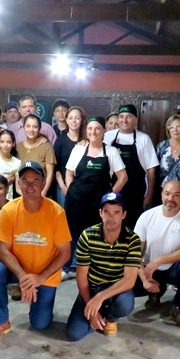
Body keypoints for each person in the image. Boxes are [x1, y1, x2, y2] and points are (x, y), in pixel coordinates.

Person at [0, 161, 72, 344]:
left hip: (44, 274)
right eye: (25, 181)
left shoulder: (56, 212)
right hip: (19, 270)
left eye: (35, 181)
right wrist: (23, 277)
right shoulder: (9, 210)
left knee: (40, 324)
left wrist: (38, 278)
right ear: (18, 183)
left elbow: (65, 253)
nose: (30, 186)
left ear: (43, 183)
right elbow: (3, 250)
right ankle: (1, 322)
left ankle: (40, 302)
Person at [66, 192, 141, 341]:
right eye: (107, 212)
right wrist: (91, 306)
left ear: (124, 215)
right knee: (74, 334)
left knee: (125, 304)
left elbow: (130, 280)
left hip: (116, 291)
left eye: (116, 212)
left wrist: (100, 297)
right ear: (100, 213)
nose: (111, 217)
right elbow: (81, 277)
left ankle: (111, 318)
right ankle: (98, 315)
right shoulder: (87, 236)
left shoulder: (132, 240)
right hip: (92, 288)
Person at [65, 116, 128, 279]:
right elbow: (69, 172)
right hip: (76, 201)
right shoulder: (78, 149)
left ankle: (94, 269)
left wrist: (109, 198)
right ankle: (66, 268)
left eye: (97, 128)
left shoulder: (111, 152)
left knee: (97, 236)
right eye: (90, 128)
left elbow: (123, 177)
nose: (93, 132)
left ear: (103, 131)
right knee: (71, 234)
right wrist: (70, 191)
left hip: (98, 204)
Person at [134, 180, 180, 328]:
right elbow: (134, 253)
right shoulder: (147, 216)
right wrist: (144, 279)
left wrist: (159, 260)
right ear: (161, 195)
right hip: (150, 270)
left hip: (173, 269)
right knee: (126, 275)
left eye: (176, 195)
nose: (171, 198)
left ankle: (179, 307)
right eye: (167, 193)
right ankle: (155, 292)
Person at [104, 104, 159, 228]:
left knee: (133, 228)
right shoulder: (108, 136)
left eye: (129, 116)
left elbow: (151, 169)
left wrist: (149, 194)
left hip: (135, 193)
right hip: (113, 190)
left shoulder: (144, 139)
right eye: (121, 116)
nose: (124, 120)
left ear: (136, 120)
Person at [154, 115, 180, 206]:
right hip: (162, 193)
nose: (175, 130)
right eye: (171, 127)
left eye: (178, 126)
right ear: (168, 130)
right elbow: (155, 170)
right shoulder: (161, 147)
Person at [15, 114, 55, 198]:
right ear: (24, 127)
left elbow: (50, 174)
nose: (31, 130)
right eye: (28, 126)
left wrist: (43, 193)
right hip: (22, 194)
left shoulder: (46, 146)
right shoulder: (18, 147)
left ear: (39, 129)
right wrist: (22, 192)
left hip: (42, 194)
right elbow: (16, 173)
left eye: (35, 127)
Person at [53, 106, 85, 208]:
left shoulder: (87, 141)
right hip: (63, 186)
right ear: (66, 120)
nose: (73, 121)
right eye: (70, 118)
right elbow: (56, 168)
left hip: (82, 187)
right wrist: (63, 187)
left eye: (77, 118)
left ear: (82, 120)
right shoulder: (60, 140)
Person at [0, 129, 20, 200]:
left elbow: (18, 189)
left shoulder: (17, 162)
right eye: (2, 142)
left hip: (7, 199)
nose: (5, 145)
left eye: (9, 142)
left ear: (13, 144)